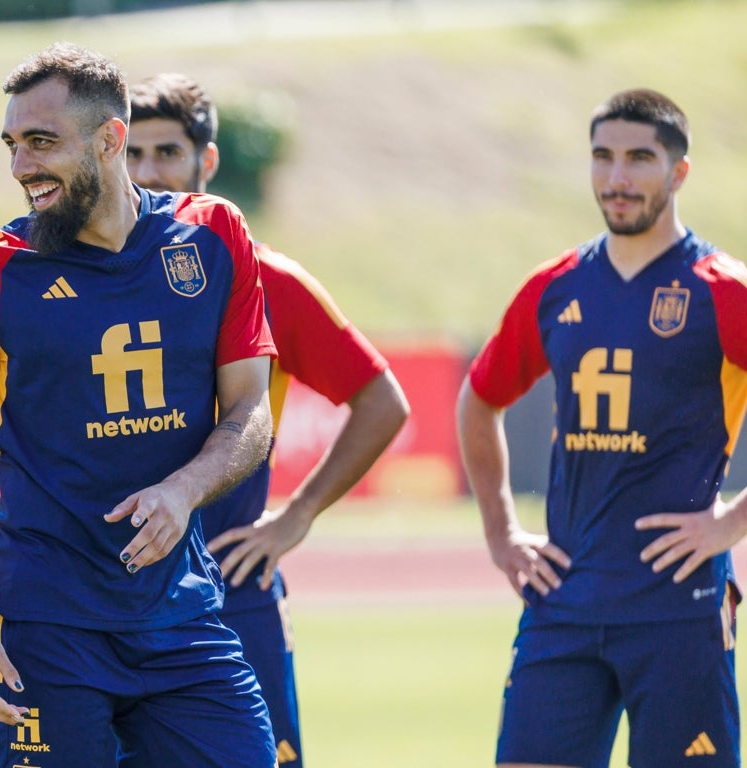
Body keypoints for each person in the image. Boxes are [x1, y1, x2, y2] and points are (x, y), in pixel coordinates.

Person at [0, 42, 278, 767]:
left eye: (41, 143)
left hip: (179, 615)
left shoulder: (213, 235)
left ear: (110, 140)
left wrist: (184, 490)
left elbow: (251, 412)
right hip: (40, 627)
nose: (21, 167)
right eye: (13, 145)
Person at [125, 72, 410, 767]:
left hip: (231, 588)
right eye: (132, 153)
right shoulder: (87, 279)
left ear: (207, 160)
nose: (148, 173)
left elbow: (382, 401)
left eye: (167, 152)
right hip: (113, 593)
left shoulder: (266, 278)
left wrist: (297, 515)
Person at [457, 88, 747, 768]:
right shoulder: (555, 286)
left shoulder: (721, 289)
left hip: (679, 608)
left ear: (678, 172)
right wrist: (501, 534)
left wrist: (732, 523)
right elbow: (478, 400)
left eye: (640, 159)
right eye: (603, 157)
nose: (617, 178)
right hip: (564, 601)